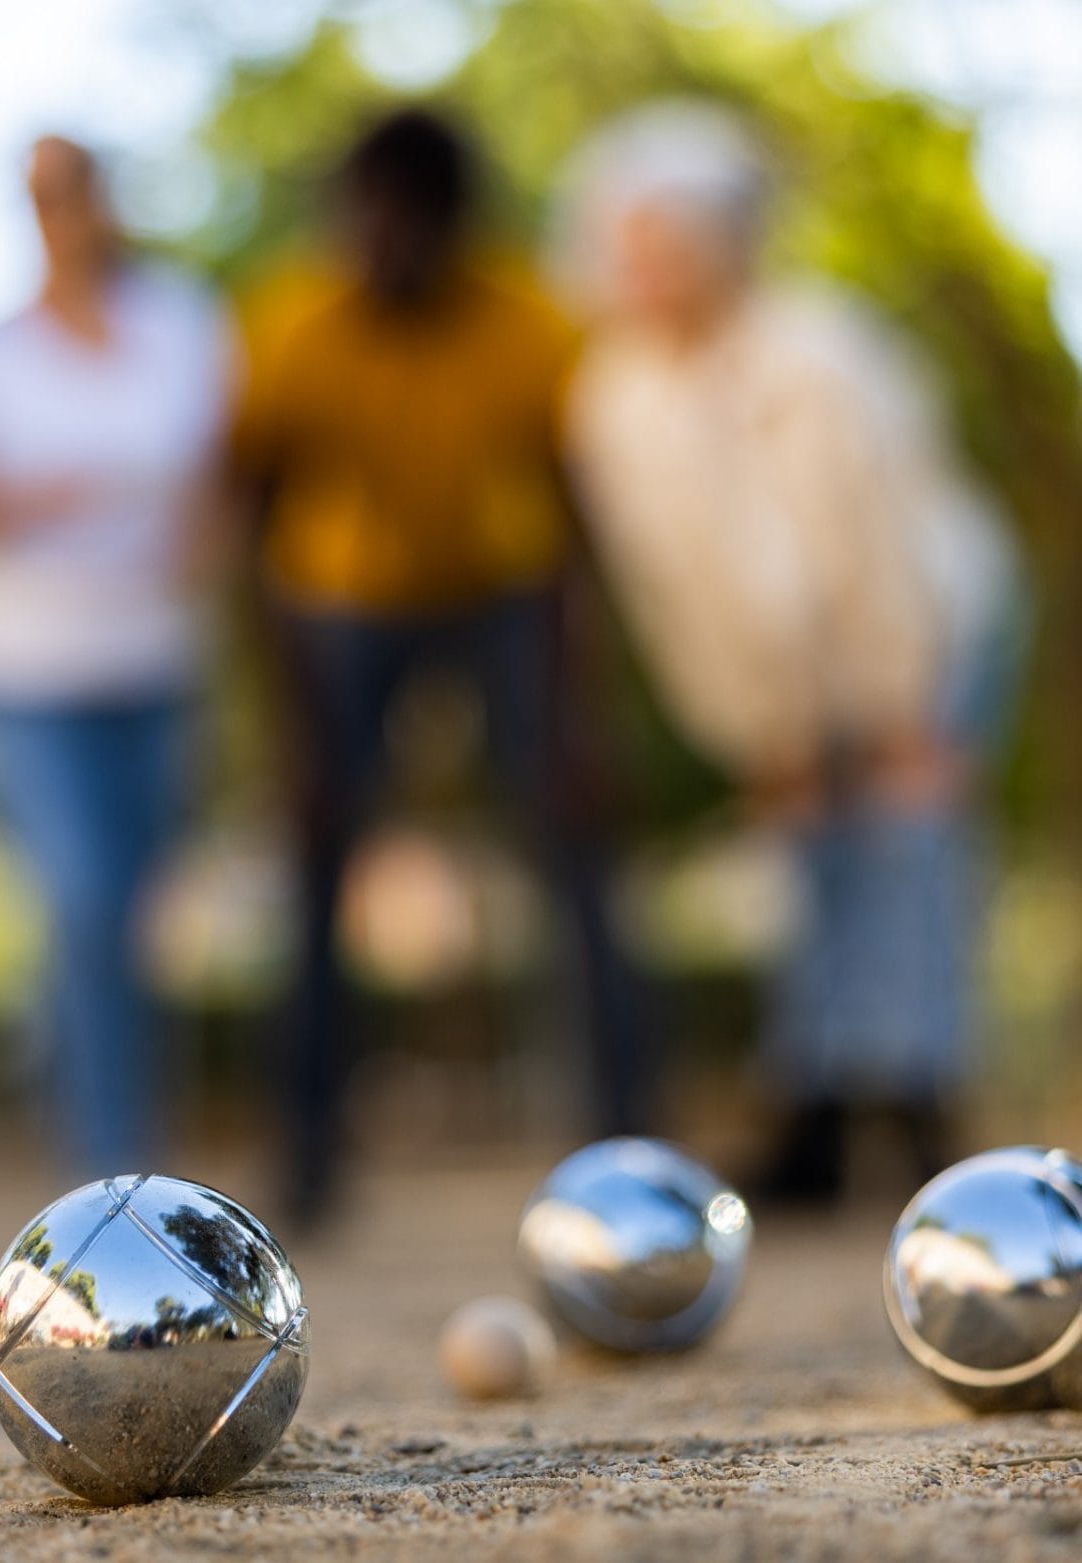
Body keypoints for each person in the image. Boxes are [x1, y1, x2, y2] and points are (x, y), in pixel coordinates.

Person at [559, 103, 1028, 1206]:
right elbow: (672, 598)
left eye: (668, 243)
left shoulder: (820, 351)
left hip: (934, 620)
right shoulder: (609, 400)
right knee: (807, 860)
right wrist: (762, 733)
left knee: (907, 852)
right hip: (786, 673)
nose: (645, 270)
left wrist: (907, 711)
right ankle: (813, 1117)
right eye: (627, 243)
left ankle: (922, 1115)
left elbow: (869, 548)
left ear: (725, 242)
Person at [234, 107, 656, 1226]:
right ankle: (309, 1152)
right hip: (341, 612)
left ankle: (626, 1145)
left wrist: (576, 721)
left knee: (577, 854)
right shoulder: (293, 327)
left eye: (409, 221)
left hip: (497, 602)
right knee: (318, 865)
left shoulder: (528, 326)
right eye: (363, 216)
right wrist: (292, 732)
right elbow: (251, 531)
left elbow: (575, 532)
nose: (382, 241)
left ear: (454, 227)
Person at [0, 137, 233, 1176]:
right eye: (42, 198)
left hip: (152, 666)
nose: (63, 214)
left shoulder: (184, 324)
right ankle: (107, 1166)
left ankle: (124, 1146)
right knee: (86, 902)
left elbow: (217, 484)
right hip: (28, 675)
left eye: (75, 193)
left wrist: (196, 542)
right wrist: (37, 495)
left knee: (135, 920)